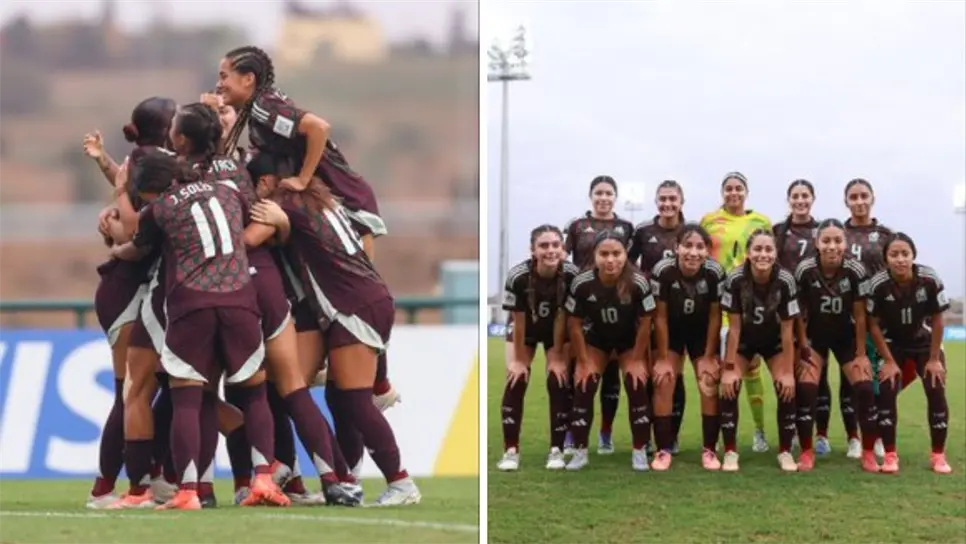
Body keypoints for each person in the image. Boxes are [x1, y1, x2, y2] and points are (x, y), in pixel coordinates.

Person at [171, 102, 359, 506]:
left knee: (205, 390)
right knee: (279, 389)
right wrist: (277, 225)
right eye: (216, 111)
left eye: (223, 107)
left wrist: (223, 248)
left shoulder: (181, 173)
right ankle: (326, 479)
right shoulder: (238, 170)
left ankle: (204, 488)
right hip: (258, 280)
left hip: (218, 286)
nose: (223, 110)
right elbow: (266, 221)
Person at [111, 148, 289, 509]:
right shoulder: (227, 191)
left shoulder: (158, 210)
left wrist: (115, 248)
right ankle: (264, 481)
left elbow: (136, 249)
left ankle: (189, 490)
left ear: (148, 188)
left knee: (187, 399)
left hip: (191, 305)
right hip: (240, 298)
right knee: (255, 394)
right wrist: (281, 224)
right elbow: (257, 226)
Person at [245, 173, 421, 506]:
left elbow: (253, 238)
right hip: (353, 304)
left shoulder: (285, 203)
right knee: (320, 395)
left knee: (352, 400)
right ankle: (344, 479)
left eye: (255, 184)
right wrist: (284, 227)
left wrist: (277, 223)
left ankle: (401, 482)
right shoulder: (320, 200)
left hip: (354, 306)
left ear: (267, 181)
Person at [562, 230, 656, 471]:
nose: (610, 259)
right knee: (584, 384)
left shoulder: (638, 282)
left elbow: (647, 322)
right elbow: (573, 323)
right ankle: (580, 452)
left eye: (616, 253)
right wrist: (582, 361)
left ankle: (639, 451)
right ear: (594, 255)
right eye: (604, 254)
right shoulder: (582, 283)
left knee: (636, 384)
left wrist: (636, 359)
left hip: (628, 342)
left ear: (626, 254)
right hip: (597, 341)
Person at [793, 219, 879, 472]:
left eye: (837, 240)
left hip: (845, 338)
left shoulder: (855, 270)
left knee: (864, 387)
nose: (832, 246)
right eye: (826, 240)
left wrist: (862, 354)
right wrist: (803, 346)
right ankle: (807, 452)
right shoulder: (805, 270)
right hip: (815, 339)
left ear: (846, 243)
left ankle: (867, 453)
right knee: (807, 388)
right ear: (817, 243)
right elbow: (798, 311)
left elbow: (861, 315)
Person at [866, 233, 952, 474]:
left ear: (913, 256)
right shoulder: (878, 284)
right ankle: (891, 455)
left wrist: (935, 360)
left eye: (905, 254)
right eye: (894, 254)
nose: (900, 259)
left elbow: (937, 319)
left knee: (935, 389)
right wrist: (889, 362)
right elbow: (872, 324)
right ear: (886, 259)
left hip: (925, 344)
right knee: (885, 390)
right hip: (894, 344)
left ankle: (938, 455)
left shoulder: (928, 278)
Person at [497, 225, 580, 471]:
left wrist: (555, 355)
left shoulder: (572, 275)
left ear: (563, 249)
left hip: (557, 329)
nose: (550, 250)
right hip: (526, 329)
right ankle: (511, 451)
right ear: (533, 250)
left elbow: (565, 317)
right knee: (517, 377)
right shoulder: (518, 276)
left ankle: (557, 449)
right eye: (544, 246)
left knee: (557, 379)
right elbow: (519, 321)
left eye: (556, 245)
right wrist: (520, 360)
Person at [700, 172, 772, 453]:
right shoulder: (709, 220)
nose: (733, 193)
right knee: (719, 374)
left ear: (746, 192)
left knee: (752, 372)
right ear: (722, 192)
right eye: (728, 188)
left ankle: (759, 432)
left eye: (738, 188)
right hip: (718, 307)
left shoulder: (761, 222)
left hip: (750, 307)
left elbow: (768, 257)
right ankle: (718, 436)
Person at [563, 175, 635, 455]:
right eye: (599, 193)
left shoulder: (626, 227)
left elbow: (633, 264)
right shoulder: (576, 226)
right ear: (590, 196)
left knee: (612, 373)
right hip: (582, 304)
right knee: (578, 371)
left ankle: (606, 432)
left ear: (615, 197)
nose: (604, 198)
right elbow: (561, 256)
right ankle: (572, 430)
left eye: (608, 193)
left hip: (615, 305)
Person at [718, 229, 799, 472]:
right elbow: (733, 328)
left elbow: (787, 330)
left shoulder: (785, 280)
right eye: (758, 249)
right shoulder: (735, 279)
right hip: (744, 340)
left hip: (774, 340)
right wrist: (729, 367)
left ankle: (785, 451)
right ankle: (731, 451)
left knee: (786, 387)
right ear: (748, 254)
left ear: (775, 253)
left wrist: (787, 371)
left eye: (768, 249)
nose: (763, 254)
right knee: (730, 385)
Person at [649, 224, 725, 471]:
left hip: (701, 334)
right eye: (688, 246)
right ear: (676, 248)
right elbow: (659, 317)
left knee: (708, 381)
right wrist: (661, 357)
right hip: (671, 331)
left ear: (707, 251)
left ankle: (710, 451)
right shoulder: (663, 271)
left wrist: (711, 355)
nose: (693, 252)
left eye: (700, 247)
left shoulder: (714, 272)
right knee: (664, 380)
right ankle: (663, 450)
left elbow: (715, 317)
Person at [628, 179, 687, 454]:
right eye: (662, 199)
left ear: (681, 202)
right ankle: (650, 434)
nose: (667, 204)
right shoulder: (643, 231)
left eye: (672, 199)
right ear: (656, 202)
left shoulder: (689, 232)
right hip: (650, 311)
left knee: (676, 375)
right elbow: (627, 263)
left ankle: (671, 435)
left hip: (681, 312)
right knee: (653, 374)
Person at [843, 178, 893, 459]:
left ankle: (873, 435)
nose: (859, 201)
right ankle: (853, 437)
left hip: (875, 316)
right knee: (849, 380)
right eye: (854, 197)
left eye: (864, 196)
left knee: (874, 377)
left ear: (872, 198)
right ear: (846, 201)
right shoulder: (839, 232)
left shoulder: (885, 234)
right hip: (844, 315)